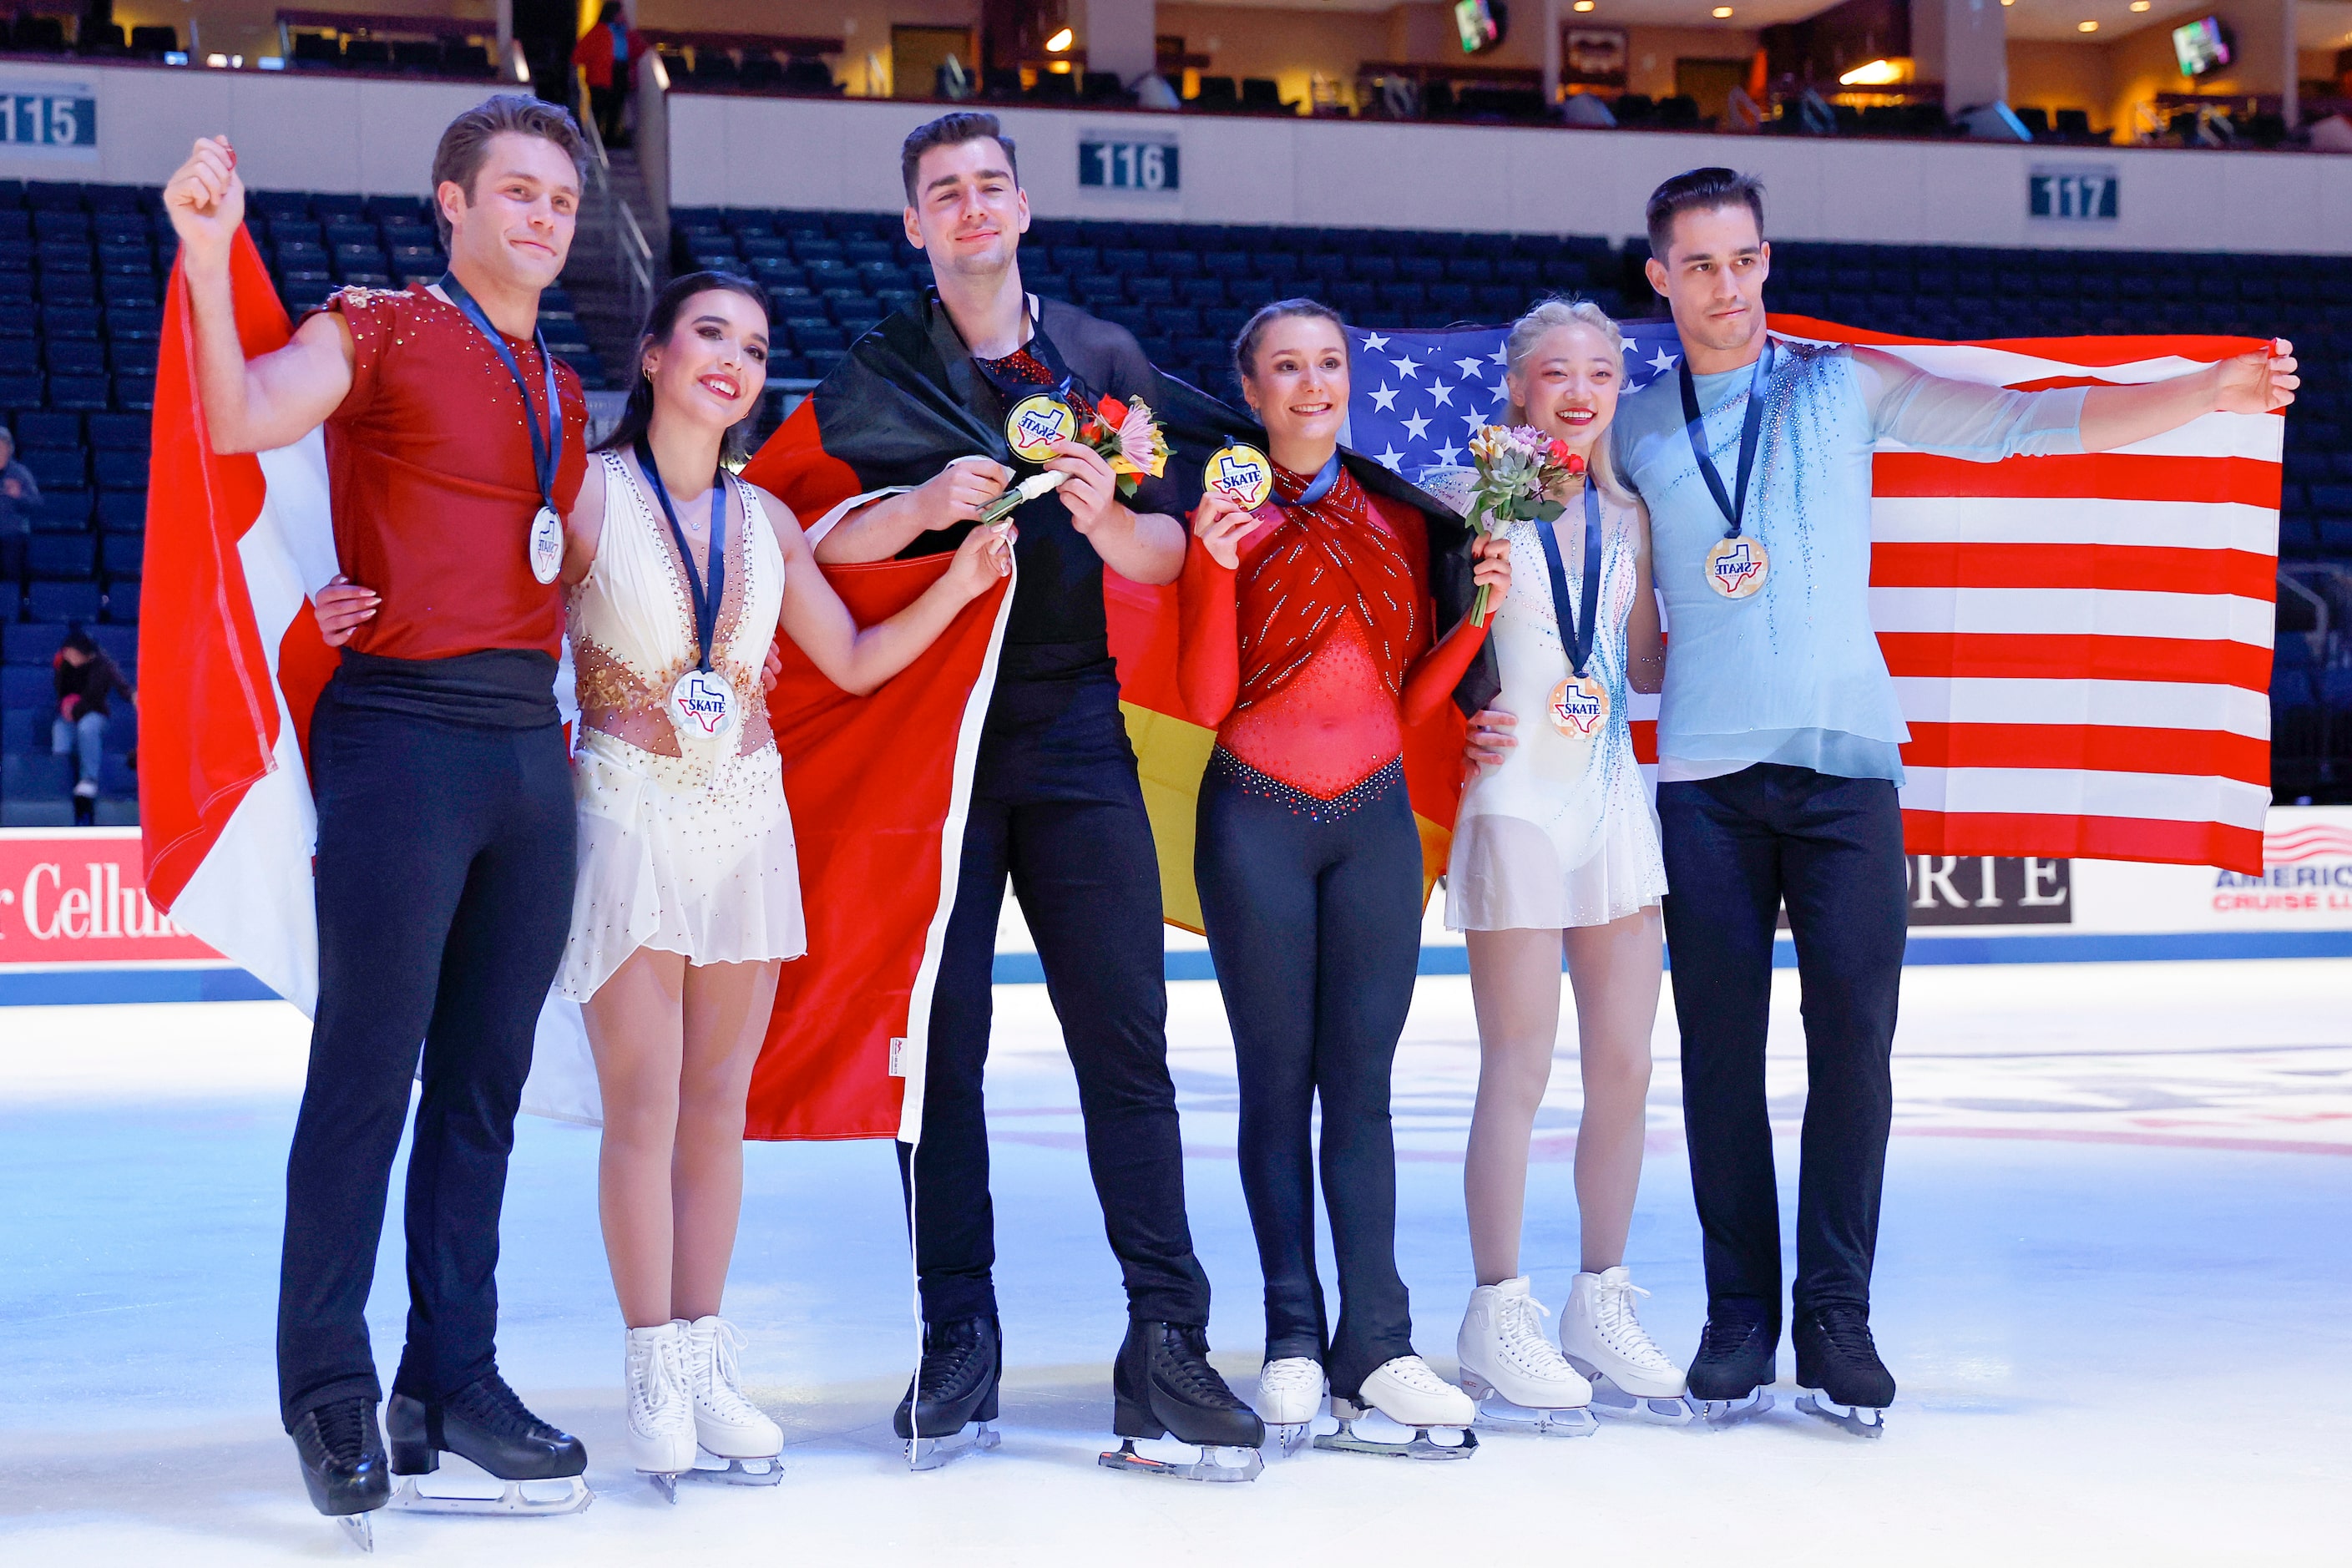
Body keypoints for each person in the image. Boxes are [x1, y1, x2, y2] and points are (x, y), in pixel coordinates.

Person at [1468, 166, 2296, 1438]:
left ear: (1766, 260)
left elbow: (2018, 422)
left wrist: (2208, 393)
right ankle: (1739, 1316)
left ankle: (1837, 1316)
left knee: (1854, 1045)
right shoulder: (1633, 429)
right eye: (1695, 265)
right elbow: (1599, 617)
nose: (1722, 285)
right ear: (1659, 279)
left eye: (1740, 260)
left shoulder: (1836, 387)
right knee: (1721, 1060)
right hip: (1702, 779)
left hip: (1850, 767)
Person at [164, 95, 607, 1539]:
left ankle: (450, 1380)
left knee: (481, 1089)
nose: (546, 217)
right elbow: (240, 416)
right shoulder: (382, 323)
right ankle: (329, 1386)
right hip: (403, 739)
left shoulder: (556, 376)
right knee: (367, 1076)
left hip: (526, 756)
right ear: (451, 204)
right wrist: (212, 251)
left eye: (561, 200)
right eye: (519, 194)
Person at [804, 111, 1264, 1473]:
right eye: (942, 191)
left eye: (988, 184)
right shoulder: (880, 368)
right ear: (914, 224)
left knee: (1125, 1045)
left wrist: (1112, 524)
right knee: (931, 1057)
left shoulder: (1105, 358)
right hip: (925, 747)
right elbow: (809, 534)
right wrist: (922, 507)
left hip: (1071, 735)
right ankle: (959, 1340)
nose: (970, 207)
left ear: (1022, 208)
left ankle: (1165, 1344)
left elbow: (1177, 551)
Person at [554, 271, 1011, 1496]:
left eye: (755, 347)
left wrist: (958, 587)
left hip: (747, 823)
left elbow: (854, 660)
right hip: (630, 818)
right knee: (643, 1111)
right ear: (651, 355)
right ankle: (650, 1365)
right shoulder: (591, 494)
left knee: (716, 1110)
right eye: (710, 334)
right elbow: (504, 617)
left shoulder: (762, 521)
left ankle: (704, 1356)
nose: (735, 361)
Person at [1180, 300, 1506, 1456]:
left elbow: (1412, 700)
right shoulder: (1223, 514)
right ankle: (1290, 1337)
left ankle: (1379, 1339)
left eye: (1327, 364)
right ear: (1253, 391)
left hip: (1372, 824)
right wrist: (1213, 569)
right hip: (1255, 822)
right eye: (1286, 368)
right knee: (1278, 1080)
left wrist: (1479, 625)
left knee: (1360, 1083)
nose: (1312, 385)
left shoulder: (1401, 520)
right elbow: (1211, 699)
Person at [1419, 299, 1689, 1430]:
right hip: (1514, 803)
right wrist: (1453, 725)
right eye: (1555, 372)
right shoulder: (1459, 493)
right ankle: (1497, 1307)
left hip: (1612, 802)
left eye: (1602, 370)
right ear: (1519, 386)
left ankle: (1599, 1298)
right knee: (1518, 1071)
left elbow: (1642, 667)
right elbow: (1419, 649)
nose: (1580, 391)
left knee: (1626, 1065)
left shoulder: (1636, 512)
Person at [53, 624, 134, 826]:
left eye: (72, 653)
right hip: (70, 715)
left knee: (87, 727)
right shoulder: (63, 665)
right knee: (59, 730)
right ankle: (58, 781)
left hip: (94, 713)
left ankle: (89, 779)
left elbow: (114, 689)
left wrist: (133, 696)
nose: (68, 657)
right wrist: (67, 705)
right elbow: (60, 690)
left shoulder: (102, 665)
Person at [571, 3, 641, 149]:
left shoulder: (625, 32)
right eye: (620, 13)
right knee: (598, 109)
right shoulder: (598, 32)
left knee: (615, 109)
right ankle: (593, 144)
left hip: (620, 73)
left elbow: (639, 49)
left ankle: (609, 140)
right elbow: (578, 55)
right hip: (600, 78)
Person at [0, 423, 41, 584]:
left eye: (2, 447)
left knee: (11, 581)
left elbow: (36, 504)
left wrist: (19, 495)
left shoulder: (20, 473)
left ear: (10, 450)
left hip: (13, 536)